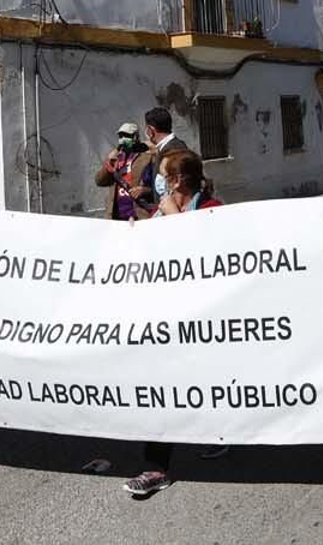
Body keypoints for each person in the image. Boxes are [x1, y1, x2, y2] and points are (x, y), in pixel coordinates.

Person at [122, 149, 228, 496]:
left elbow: (213, 257)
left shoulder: (213, 211)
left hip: (203, 319)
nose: (156, 180)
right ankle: (156, 467)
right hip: (165, 320)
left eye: (162, 174)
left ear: (177, 180)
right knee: (160, 387)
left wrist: (175, 221)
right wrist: (137, 233)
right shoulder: (160, 212)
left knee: (205, 381)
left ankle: (221, 431)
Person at [95, 122, 153, 220]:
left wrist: (144, 190)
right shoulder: (117, 158)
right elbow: (100, 181)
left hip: (138, 215)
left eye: (126, 136)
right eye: (120, 136)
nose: (122, 139)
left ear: (135, 137)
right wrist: (109, 162)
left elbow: (158, 186)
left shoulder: (147, 157)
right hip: (116, 216)